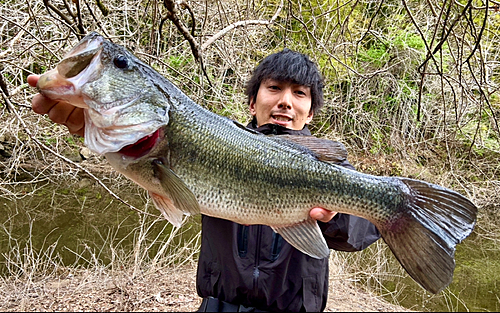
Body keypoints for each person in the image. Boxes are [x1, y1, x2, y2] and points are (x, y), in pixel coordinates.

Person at [28, 48, 380, 312]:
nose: (285, 101)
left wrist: (337, 217)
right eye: (274, 88)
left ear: (311, 111)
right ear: (252, 101)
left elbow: (363, 230)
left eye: (299, 94)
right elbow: (153, 170)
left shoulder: (331, 169)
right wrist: (93, 120)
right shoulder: (214, 140)